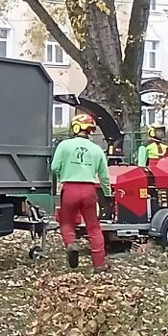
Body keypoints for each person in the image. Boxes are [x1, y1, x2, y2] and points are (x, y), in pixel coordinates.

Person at [51, 113, 112, 272]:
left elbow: (54, 167)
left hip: (70, 189)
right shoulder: (97, 149)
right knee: (93, 227)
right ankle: (99, 264)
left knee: (67, 222)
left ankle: (71, 243)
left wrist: (64, 174)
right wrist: (108, 194)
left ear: (75, 127)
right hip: (89, 191)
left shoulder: (64, 145)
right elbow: (104, 176)